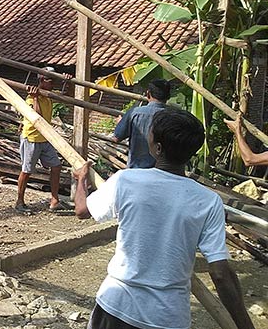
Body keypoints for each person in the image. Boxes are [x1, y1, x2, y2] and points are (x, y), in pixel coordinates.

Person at [73, 108, 255, 329]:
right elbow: (220, 273)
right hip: (168, 316)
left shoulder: (126, 180)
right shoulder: (208, 201)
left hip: (117, 306)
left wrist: (82, 180)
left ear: (157, 148)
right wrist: (245, 325)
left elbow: (82, 210)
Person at [16, 67, 71, 213]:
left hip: (45, 138)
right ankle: (19, 201)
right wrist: (34, 97)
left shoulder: (48, 95)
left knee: (56, 166)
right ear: (41, 80)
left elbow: (67, 96)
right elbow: (37, 117)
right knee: (27, 171)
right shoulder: (30, 98)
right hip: (32, 138)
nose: (53, 83)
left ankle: (54, 200)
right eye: (50, 80)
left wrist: (67, 82)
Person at [112, 79, 170, 168]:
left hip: (136, 170)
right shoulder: (173, 117)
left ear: (148, 94)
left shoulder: (134, 113)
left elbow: (116, 138)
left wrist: (120, 123)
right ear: (168, 96)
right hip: (163, 171)